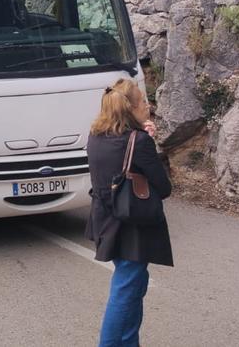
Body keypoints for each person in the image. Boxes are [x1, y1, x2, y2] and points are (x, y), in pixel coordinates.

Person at [86, 79, 173, 346]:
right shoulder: (139, 142)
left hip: (106, 219)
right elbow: (164, 186)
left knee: (133, 286)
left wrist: (143, 135)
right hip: (132, 223)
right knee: (126, 290)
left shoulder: (96, 136)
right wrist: (148, 141)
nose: (148, 106)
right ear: (131, 109)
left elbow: (123, 152)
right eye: (144, 102)